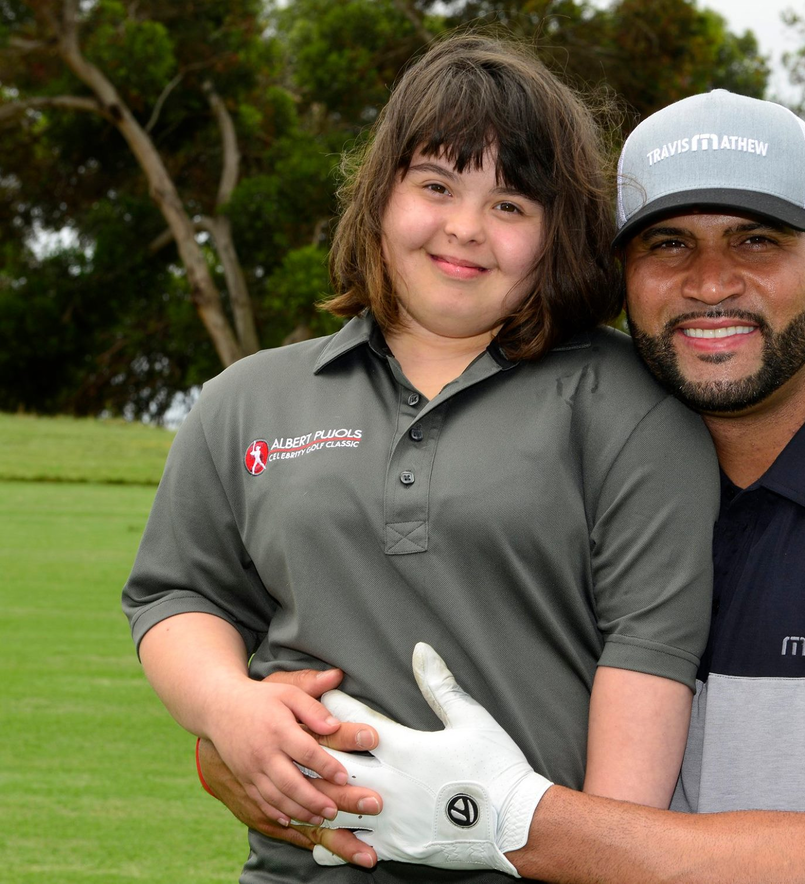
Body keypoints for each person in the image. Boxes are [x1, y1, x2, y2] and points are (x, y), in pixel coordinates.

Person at [288, 89, 805, 883]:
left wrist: (506, 821)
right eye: (668, 245)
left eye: (756, 240)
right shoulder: (563, 493)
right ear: (622, 273)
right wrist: (245, 748)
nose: (711, 283)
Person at [121, 35, 721, 883]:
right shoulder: (246, 400)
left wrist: (599, 859)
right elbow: (179, 594)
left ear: (558, 233)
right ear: (380, 196)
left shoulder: (633, 403)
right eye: (436, 186)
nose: (465, 228)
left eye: (510, 204)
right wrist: (228, 708)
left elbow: (649, 651)